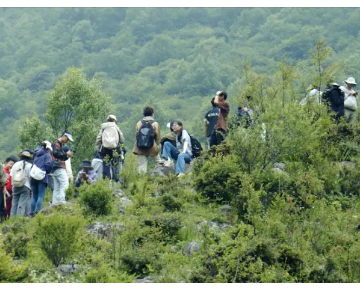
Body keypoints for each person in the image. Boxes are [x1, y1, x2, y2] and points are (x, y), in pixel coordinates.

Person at [132, 106, 163, 174]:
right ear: (152, 114)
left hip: (140, 147)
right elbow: (157, 136)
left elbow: (137, 135)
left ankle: (142, 182)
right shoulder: (155, 123)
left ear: (144, 114)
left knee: (141, 167)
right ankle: (161, 178)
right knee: (158, 162)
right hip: (152, 146)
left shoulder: (139, 123)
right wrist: (157, 145)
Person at [95, 114, 124, 181]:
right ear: (114, 120)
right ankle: (116, 181)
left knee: (106, 166)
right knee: (116, 166)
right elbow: (121, 139)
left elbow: (98, 139)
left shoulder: (103, 128)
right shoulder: (116, 128)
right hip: (115, 150)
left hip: (105, 150)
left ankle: (107, 181)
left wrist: (98, 149)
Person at [29, 141, 53, 217]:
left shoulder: (36, 155)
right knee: (40, 195)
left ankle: (31, 212)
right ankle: (37, 212)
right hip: (42, 178)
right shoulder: (47, 155)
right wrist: (47, 171)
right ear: (49, 148)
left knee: (34, 196)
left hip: (33, 178)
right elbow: (48, 166)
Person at [51, 131, 73, 205]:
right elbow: (55, 153)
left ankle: (55, 203)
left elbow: (58, 155)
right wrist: (66, 153)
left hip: (54, 167)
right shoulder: (57, 144)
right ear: (64, 136)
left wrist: (66, 156)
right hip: (59, 167)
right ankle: (61, 202)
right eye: (67, 139)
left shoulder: (57, 144)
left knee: (57, 187)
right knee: (65, 184)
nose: (67, 141)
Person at [10, 150, 33, 217]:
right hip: (25, 185)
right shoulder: (29, 165)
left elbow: (12, 175)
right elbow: (30, 177)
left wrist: (12, 185)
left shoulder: (15, 165)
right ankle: (19, 218)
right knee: (21, 203)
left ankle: (12, 219)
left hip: (15, 185)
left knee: (14, 203)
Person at [3, 155, 19, 220]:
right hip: (5, 191)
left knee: (9, 206)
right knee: (5, 205)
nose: (11, 166)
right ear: (6, 163)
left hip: (10, 191)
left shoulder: (10, 172)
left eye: (13, 165)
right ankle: (3, 217)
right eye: (10, 164)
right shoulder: (3, 171)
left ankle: (8, 218)